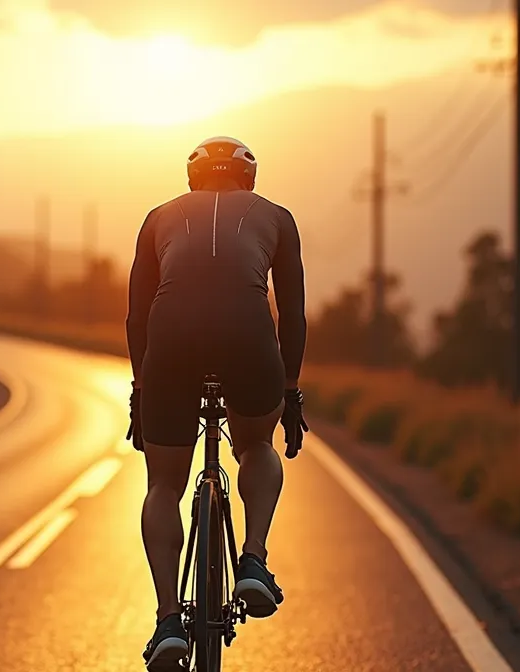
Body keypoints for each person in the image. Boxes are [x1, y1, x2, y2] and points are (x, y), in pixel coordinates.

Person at [125, 136, 308, 671]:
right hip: (247, 337)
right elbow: (293, 314)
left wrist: (141, 390)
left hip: (170, 342)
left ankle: (167, 621)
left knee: (163, 485)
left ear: (193, 179)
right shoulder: (277, 217)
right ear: (248, 178)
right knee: (255, 445)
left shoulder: (157, 218)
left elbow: (136, 317)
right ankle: (253, 559)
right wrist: (289, 391)